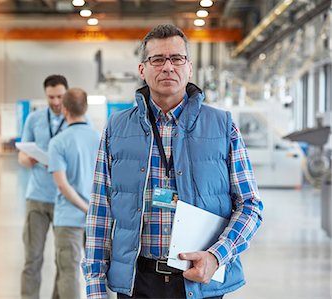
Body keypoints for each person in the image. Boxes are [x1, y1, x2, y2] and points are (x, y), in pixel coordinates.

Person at [82, 24, 263, 299]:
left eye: (176, 58)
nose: (168, 67)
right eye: (157, 59)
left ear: (189, 67)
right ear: (142, 70)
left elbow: (250, 206)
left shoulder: (223, 126)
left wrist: (216, 257)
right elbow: (100, 211)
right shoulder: (116, 128)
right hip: (137, 283)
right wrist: (95, 287)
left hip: (200, 282)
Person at [48, 88, 101, 299]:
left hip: (69, 217)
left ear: (64, 109)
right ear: (85, 108)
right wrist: (93, 209)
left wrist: (83, 207)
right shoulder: (99, 138)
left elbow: (62, 185)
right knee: (96, 271)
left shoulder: (58, 142)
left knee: (68, 271)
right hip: (96, 217)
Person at [19, 74, 68, 299]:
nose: (56, 102)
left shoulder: (76, 120)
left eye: (59, 96)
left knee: (63, 261)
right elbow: (22, 154)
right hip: (36, 198)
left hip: (64, 199)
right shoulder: (34, 119)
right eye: (51, 97)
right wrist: (26, 159)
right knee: (32, 259)